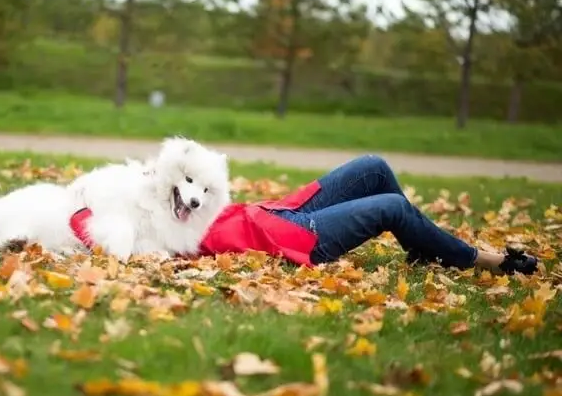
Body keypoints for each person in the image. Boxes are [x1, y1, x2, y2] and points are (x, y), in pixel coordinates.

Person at [197, 154, 539, 275]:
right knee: (393, 207)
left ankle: (423, 249)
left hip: (278, 210)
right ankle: (480, 260)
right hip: (286, 237)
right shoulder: (156, 227)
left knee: (373, 168)